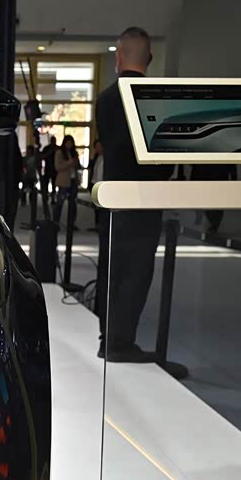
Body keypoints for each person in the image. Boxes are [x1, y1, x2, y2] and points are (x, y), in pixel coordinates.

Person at [95, 27, 186, 377]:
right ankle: (121, 342)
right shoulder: (155, 99)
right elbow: (166, 158)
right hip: (146, 199)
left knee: (111, 268)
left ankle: (108, 336)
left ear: (118, 57)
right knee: (136, 272)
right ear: (149, 58)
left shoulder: (105, 99)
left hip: (112, 199)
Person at [52, 134, 79, 226]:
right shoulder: (59, 153)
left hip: (73, 180)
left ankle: (71, 223)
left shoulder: (74, 153)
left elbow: (77, 166)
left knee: (73, 203)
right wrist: (69, 163)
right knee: (60, 203)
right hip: (63, 181)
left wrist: (75, 163)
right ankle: (55, 222)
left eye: (71, 143)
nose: (69, 145)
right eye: (68, 143)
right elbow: (57, 167)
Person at [40, 136, 58, 201]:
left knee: (54, 185)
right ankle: (46, 197)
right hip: (48, 169)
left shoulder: (57, 148)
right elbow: (42, 156)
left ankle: (53, 198)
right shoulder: (47, 148)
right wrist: (49, 152)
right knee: (46, 184)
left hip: (55, 169)